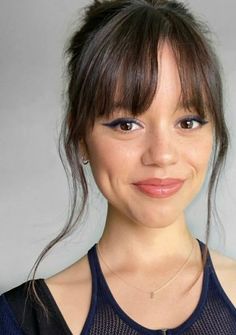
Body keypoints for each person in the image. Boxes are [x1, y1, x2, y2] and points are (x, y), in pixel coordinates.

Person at [1, 0, 236, 334]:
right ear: (79, 135)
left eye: (188, 122)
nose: (162, 155)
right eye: (127, 124)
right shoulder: (22, 320)